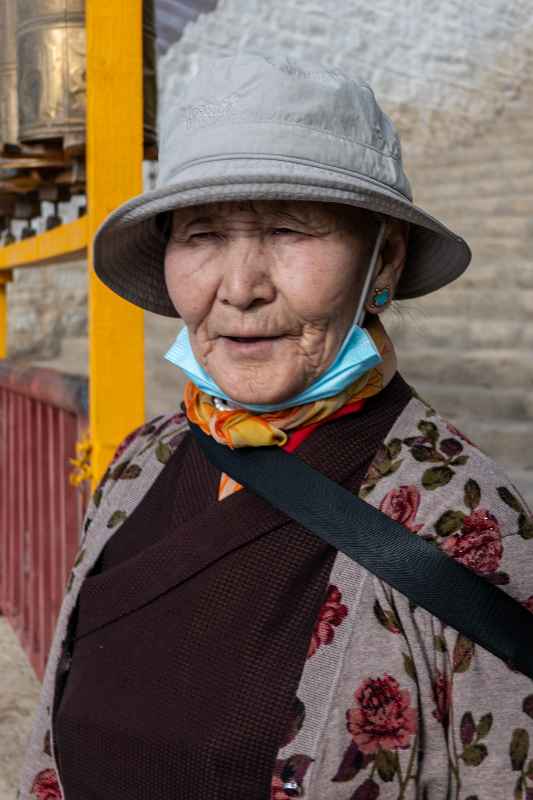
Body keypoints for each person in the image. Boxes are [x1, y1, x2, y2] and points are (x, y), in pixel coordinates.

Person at [19, 53, 533, 800]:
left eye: (290, 229)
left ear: (381, 258)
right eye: (201, 235)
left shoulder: (461, 512)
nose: (239, 289)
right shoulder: (141, 463)